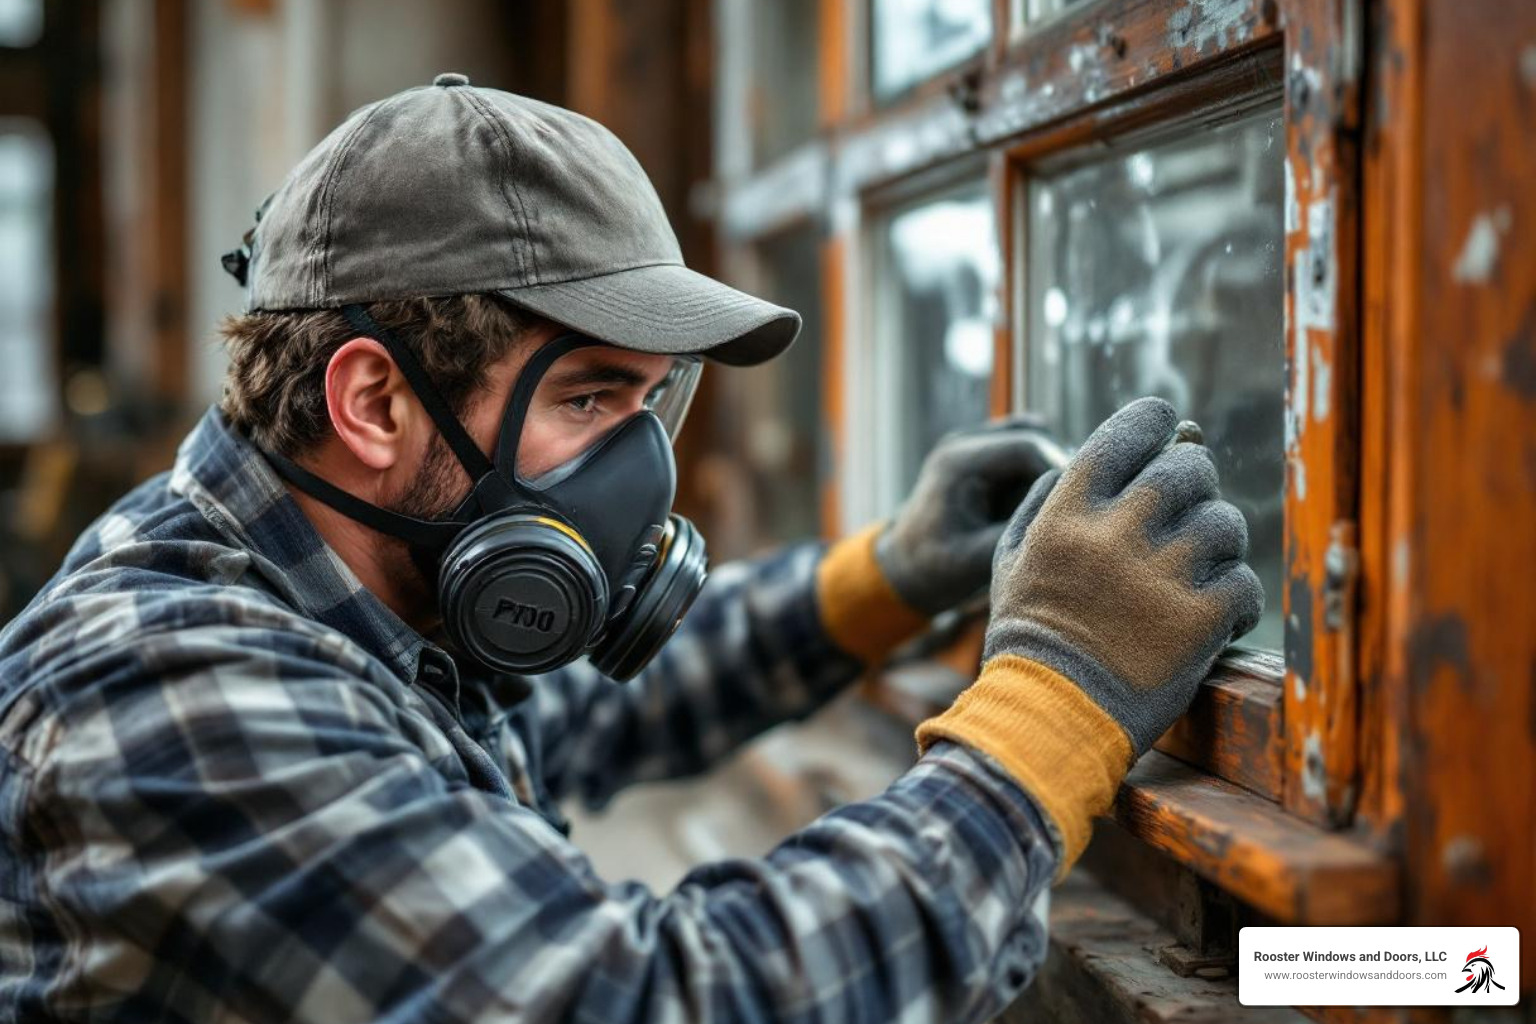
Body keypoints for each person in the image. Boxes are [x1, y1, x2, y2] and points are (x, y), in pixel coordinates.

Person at [0, 76, 1262, 1022]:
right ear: (374, 402)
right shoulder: (169, 689)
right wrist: (1050, 712)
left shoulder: (352, 591)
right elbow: (645, 998)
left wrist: (881, 579)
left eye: (654, 402)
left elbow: (576, 716)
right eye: (591, 397)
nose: (638, 473)